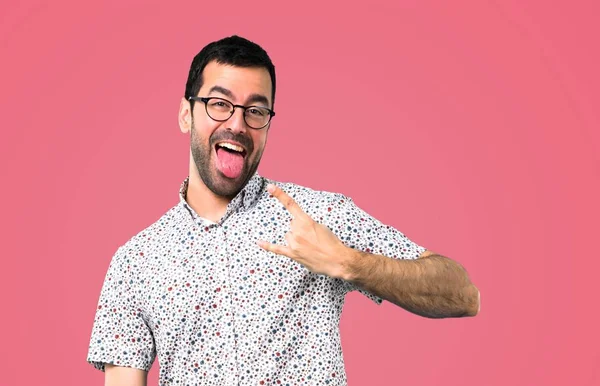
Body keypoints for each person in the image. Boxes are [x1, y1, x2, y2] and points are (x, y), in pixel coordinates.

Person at [87, 35, 480, 386]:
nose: (237, 124)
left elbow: (462, 293)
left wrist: (348, 263)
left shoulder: (317, 216)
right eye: (220, 104)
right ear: (186, 114)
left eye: (255, 111)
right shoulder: (135, 262)